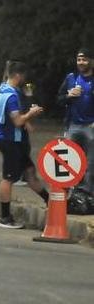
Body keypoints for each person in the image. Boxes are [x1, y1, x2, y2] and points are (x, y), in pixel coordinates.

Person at [0, 61, 48, 228]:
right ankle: (5, 217)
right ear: (18, 76)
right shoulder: (11, 96)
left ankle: (50, 201)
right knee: (9, 178)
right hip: (10, 141)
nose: (24, 80)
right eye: (23, 77)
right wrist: (31, 114)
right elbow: (17, 120)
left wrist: (26, 120)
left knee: (29, 172)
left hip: (14, 140)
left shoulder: (4, 89)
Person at [56, 48, 94, 195]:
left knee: (90, 162)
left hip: (91, 126)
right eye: (79, 59)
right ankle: (70, 192)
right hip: (73, 125)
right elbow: (58, 100)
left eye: (84, 59)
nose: (81, 62)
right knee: (69, 161)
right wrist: (68, 95)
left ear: (92, 61)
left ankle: (87, 194)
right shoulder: (71, 78)